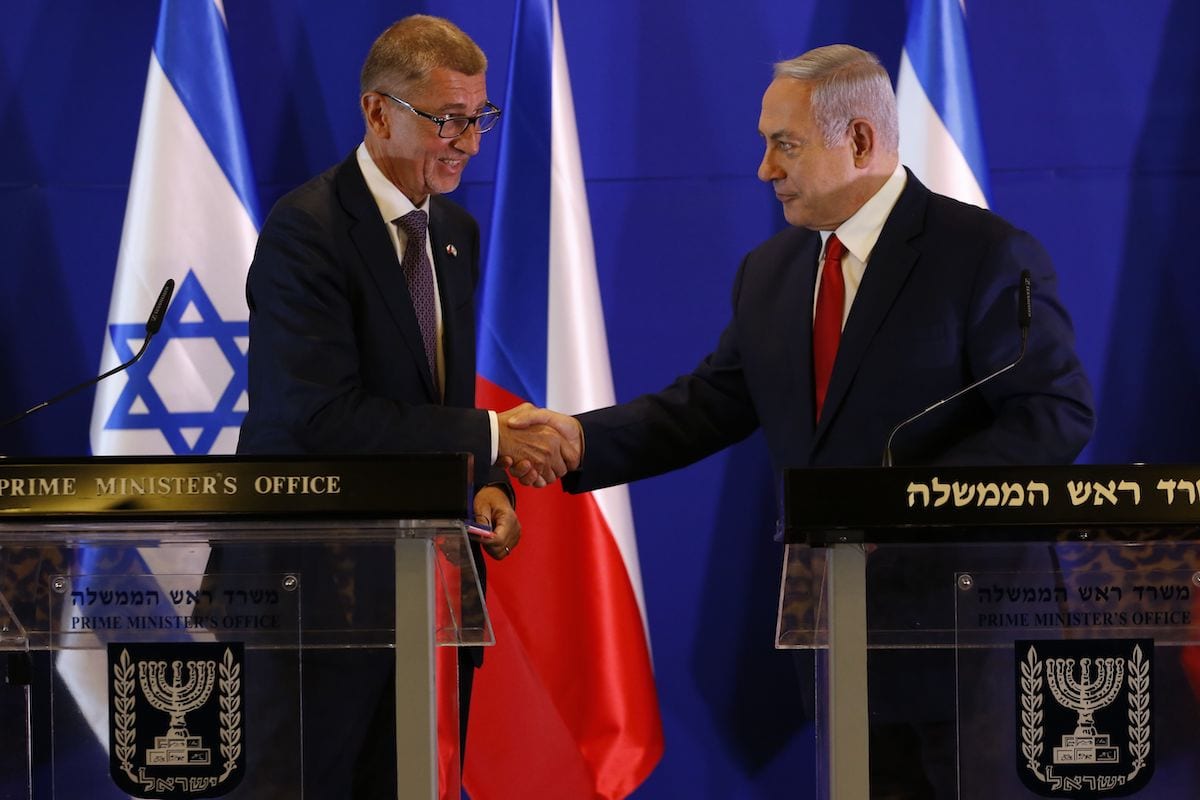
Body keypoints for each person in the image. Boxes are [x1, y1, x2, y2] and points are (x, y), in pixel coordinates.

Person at [509, 44, 1095, 796]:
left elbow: (1055, 412)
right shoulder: (773, 271)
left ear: (857, 141)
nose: (765, 169)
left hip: (970, 636)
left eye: (784, 145)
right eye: (765, 144)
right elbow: (710, 404)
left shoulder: (983, 253)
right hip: (840, 633)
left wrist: (907, 507)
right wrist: (580, 439)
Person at [233, 15, 575, 797]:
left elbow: (436, 396)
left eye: (478, 118)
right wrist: (495, 435)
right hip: (311, 599)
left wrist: (486, 481)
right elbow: (319, 416)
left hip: (427, 595)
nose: (468, 141)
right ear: (377, 111)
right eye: (445, 119)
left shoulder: (454, 230)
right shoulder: (306, 229)